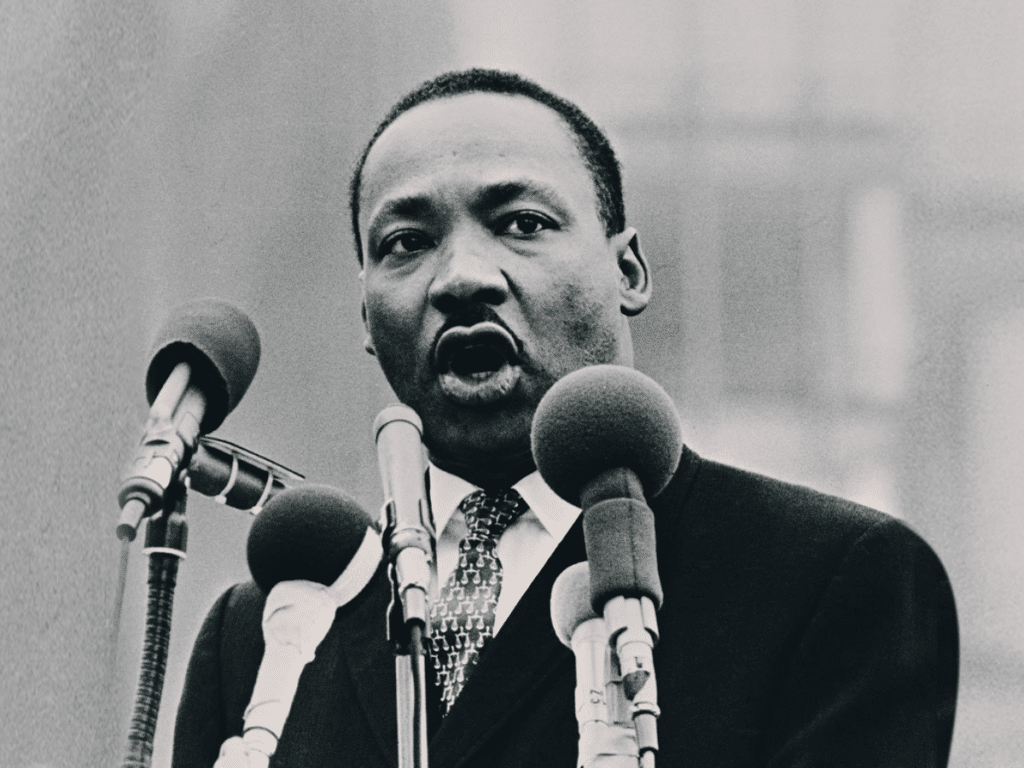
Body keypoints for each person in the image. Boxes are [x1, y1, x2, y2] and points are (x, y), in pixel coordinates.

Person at [172, 69, 959, 768]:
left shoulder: (830, 578)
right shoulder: (269, 630)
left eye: (523, 224)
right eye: (407, 243)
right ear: (366, 317)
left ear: (628, 271)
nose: (464, 277)